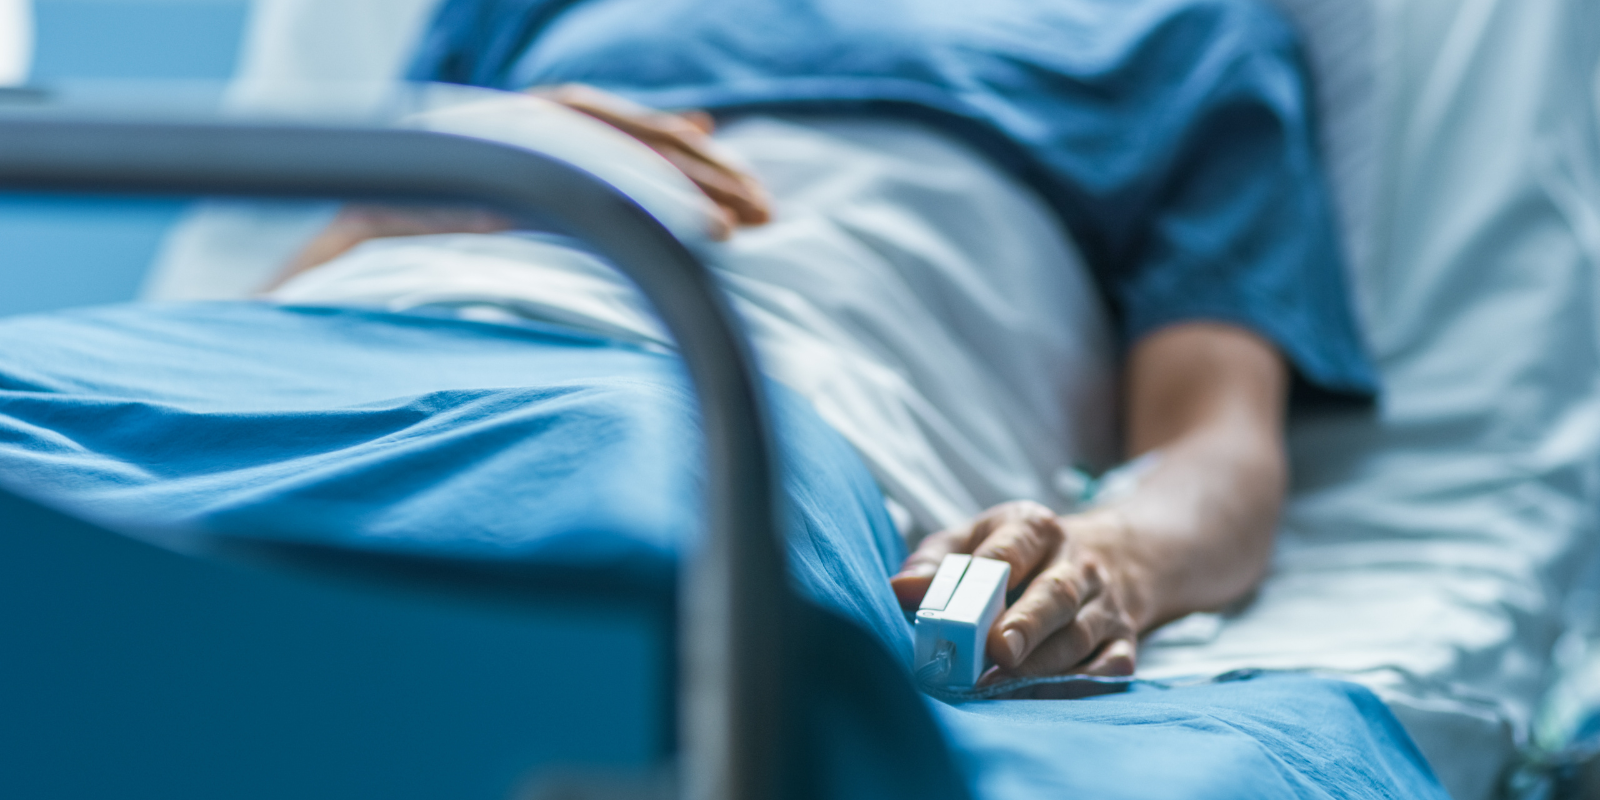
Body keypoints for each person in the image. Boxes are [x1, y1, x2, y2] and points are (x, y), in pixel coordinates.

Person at [268, 0, 1379, 686]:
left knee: (557, 579)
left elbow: (1214, 446)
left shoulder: (1184, 34)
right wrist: (430, 182)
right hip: (320, 349)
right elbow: (265, 287)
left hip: (726, 394)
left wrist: (1106, 559)